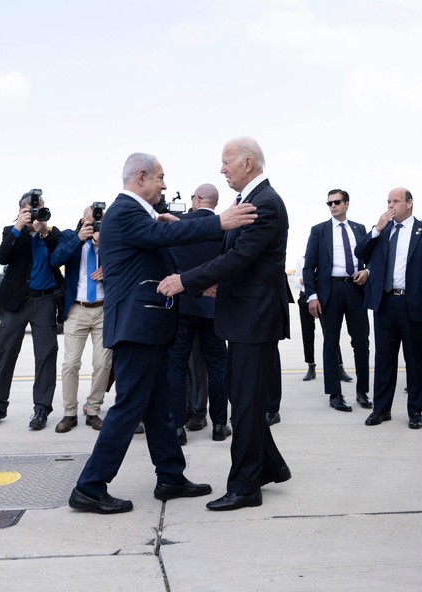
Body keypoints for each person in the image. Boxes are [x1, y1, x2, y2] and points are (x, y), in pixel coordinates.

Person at [68, 152, 256, 514]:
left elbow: (162, 245)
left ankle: (170, 476)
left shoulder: (139, 216)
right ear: (141, 176)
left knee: (159, 409)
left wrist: (168, 225)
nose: (165, 185)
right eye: (160, 178)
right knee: (128, 408)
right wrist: (219, 222)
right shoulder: (125, 211)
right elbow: (166, 234)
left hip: (149, 326)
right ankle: (89, 487)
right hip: (137, 328)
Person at [158, 137, 291, 511]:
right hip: (244, 314)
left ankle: (246, 486)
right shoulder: (248, 201)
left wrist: (186, 280)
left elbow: (238, 257)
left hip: (255, 317)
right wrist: (180, 222)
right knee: (238, 390)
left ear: (248, 162)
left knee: (246, 402)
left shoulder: (263, 203)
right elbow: (226, 243)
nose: (222, 169)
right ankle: (270, 465)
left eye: (226, 162)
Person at [355, 188, 422, 429]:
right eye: (388, 201)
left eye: (396, 201)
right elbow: (360, 252)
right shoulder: (383, 232)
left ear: (409, 203)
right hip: (385, 303)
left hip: (415, 303)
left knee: (414, 360)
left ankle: (415, 411)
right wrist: (376, 228)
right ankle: (381, 409)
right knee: (384, 359)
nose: (391, 205)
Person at [0, 191, 64, 430]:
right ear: (21, 211)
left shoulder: (51, 233)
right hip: (16, 301)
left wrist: (44, 232)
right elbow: (2, 257)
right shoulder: (11, 231)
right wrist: (20, 227)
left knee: (46, 354)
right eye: (31, 209)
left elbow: (59, 257)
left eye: (39, 209)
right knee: (6, 353)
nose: (36, 213)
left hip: (44, 300)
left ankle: (41, 409)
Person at [167, 183, 231, 443]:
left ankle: (177, 428)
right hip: (213, 308)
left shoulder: (182, 224)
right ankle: (219, 425)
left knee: (177, 366)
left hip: (183, 305)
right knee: (217, 366)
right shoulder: (223, 227)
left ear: (197, 199)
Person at [302, 189, 372, 412]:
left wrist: (368, 272)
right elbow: (308, 266)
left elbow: (372, 258)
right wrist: (312, 296)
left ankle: (362, 392)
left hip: (355, 288)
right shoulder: (319, 231)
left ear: (347, 203)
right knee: (330, 343)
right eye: (329, 203)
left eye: (337, 202)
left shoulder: (360, 229)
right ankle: (335, 394)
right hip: (330, 290)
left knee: (361, 342)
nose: (332, 206)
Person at [51, 204, 112, 433]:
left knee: (103, 363)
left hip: (103, 310)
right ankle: (69, 413)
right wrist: (79, 238)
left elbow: (125, 266)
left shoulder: (110, 240)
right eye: (91, 223)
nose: (95, 226)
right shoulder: (69, 236)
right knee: (70, 364)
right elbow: (55, 260)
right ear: (81, 221)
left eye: (99, 223)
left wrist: (106, 259)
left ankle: (93, 409)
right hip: (76, 310)